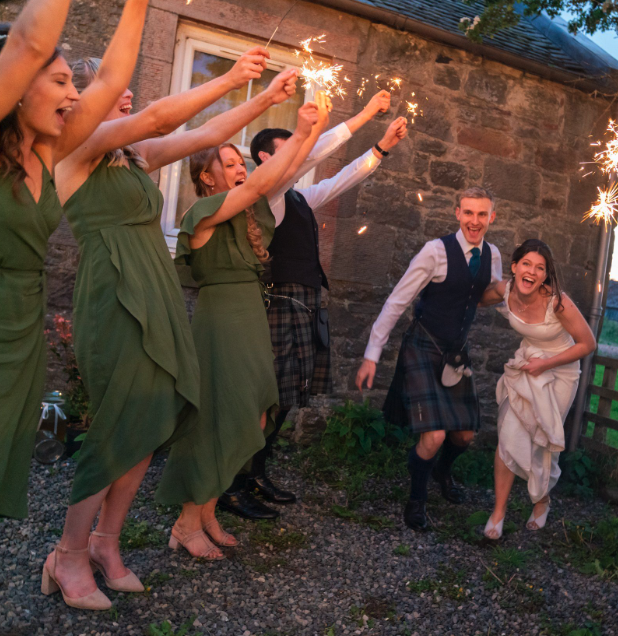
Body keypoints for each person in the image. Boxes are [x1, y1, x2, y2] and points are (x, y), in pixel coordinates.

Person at [50, 46, 297, 603]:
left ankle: (106, 544)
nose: (127, 91)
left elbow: (205, 133)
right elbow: (161, 117)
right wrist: (229, 77)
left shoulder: (132, 157)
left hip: (153, 291)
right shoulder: (74, 147)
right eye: (110, 85)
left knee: (152, 419)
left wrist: (262, 98)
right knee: (118, 422)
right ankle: (67, 554)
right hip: (115, 293)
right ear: (80, 101)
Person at [216, 100, 408, 521]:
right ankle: (230, 487)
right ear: (266, 157)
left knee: (283, 400)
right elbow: (314, 153)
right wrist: (362, 116)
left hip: (303, 306)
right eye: (292, 148)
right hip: (278, 305)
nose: (300, 153)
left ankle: (255, 474)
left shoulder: (298, 197)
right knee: (264, 399)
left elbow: (341, 178)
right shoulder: (268, 194)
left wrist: (381, 147)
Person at [157, 100, 325, 560]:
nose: (240, 169)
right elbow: (263, 182)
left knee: (255, 414)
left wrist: (313, 132)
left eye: (240, 162)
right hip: (223, 319)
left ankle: (208, 511)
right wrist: (301, 132)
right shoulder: (204, 211)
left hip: (250, 314)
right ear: (207, 177)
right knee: (219, 418)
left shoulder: (248, 216)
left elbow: (281, 174)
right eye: (228, 163)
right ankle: (186, 522)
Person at [0, 0, 122, 523]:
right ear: (17, 81)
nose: (75, 94)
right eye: (60, 81)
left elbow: (111, 81)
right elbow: (30, 42)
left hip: (22, 324)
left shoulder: (45, 152)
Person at [355, 186, 502, 530]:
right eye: (468, 213)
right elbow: (397, 301)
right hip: (423, 346)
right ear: (457, 213)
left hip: (457, 352)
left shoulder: (492, 254)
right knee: (434, 435)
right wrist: (372, 354)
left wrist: (516, 296)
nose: (475, 221)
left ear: (492, 217)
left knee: (464, 435)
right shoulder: (434, 251)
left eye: (482, 214)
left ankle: (441, 471)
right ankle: (417, 499)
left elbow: (482, 295)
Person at [474, 239, 595, 539]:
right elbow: (475, 299)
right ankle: (498, 512)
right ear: (514, 267)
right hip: (529, 365)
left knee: (542, 440)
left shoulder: (557, 302)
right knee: (508, 432)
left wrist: (547, 364)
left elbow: (588, 344)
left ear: (545, 276)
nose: (532, 271)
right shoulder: (504, 290)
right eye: (526, 264)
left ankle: (542, 500)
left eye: (540, 268)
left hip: (561, 372)